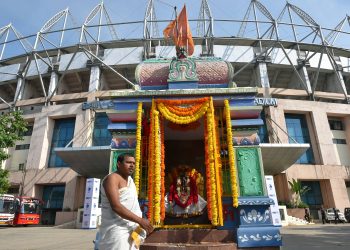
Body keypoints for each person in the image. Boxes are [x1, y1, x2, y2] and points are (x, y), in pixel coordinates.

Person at [98, 153, 153, 250]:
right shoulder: (112, 178)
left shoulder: (130, 181)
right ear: (119, 164)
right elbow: (116, 206)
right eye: (128, 162)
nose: (132, 165)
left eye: (134, 163)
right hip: (117, 230)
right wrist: (140, 220)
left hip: (133, 228)